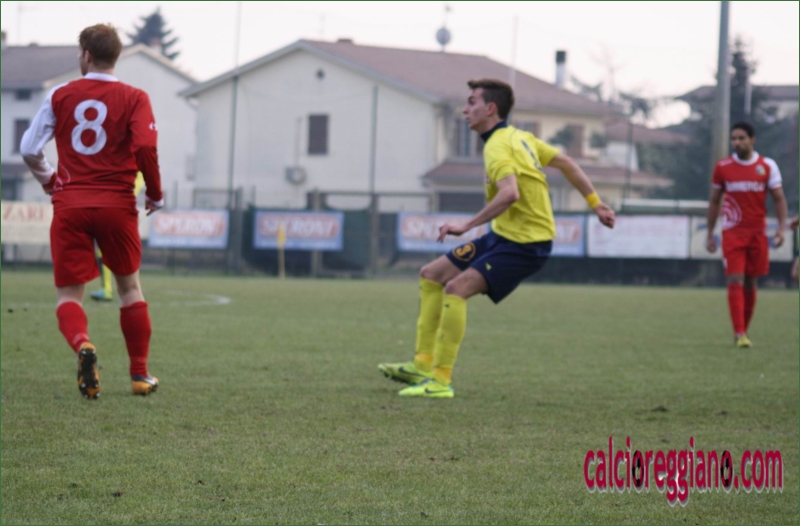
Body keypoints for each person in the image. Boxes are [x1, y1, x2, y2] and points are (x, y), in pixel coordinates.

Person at [378, 78, 616, 398]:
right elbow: (566, 162)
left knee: (456, 288)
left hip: (526, 244)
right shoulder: (521, 137)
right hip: (502, 235)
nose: (465, 109)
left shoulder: (498, 146)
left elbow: (510, 193)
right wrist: (595, 203)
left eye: (472, 102)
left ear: (490, 108)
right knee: (432, 274)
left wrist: (466, 225)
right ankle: (421, 364)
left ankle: (440, 382)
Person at [20, 23, 164, 399]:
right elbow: (145, 147)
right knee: (130, 289)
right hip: (117, 206)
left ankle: (83, 344)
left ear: (86, 55)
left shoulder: (60, 95)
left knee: (69, 296)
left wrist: (50, 180)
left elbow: (29, 148)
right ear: (116, 56)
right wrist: (154, 192)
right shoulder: (135, 97)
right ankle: (140, 374)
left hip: (71, 205)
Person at [705, 121, 787, 348]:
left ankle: (744, 331)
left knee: (751, 281)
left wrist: (781, 229)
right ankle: (739, 332)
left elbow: (779, 199)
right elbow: (714, 201)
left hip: (757, 233)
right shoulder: (723, 167)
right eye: (734, 139)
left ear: (752, 140)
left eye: (741, 138)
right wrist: (710, 233)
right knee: (735, 278)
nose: (737, 143)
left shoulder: (767, 166)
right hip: (732, 232)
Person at [90, 172, 145, 302]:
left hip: (119, 211)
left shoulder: (133, 173)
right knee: (107, 251)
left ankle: (122, 291)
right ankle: (115, 290)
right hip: (118, 210)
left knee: (117, 251)